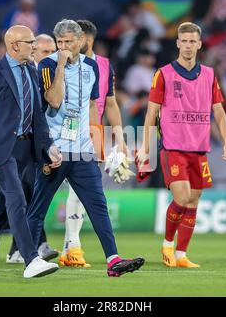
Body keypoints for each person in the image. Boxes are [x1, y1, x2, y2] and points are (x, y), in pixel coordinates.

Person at [31, 19, 144, 277]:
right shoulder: (47, 65)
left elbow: (94, 106)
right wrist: (60, 65)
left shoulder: (92, 66)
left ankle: (113, 260)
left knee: (97, 204)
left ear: (81, 41)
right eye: (60, 43)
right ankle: (29, 258)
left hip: (82, 150)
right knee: (38, 207)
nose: (64, 47)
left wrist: (98, 145)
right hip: (55, 149)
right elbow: (54, 100)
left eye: (69, 42)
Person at [0, 25, 62, 279]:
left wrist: (48, 145)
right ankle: (31, 259)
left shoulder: (32, 71)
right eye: (30, 42)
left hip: (26, 148)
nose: (34, 47)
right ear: (15, 45)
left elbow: (38, 115)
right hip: (2, 149)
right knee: (17, 199)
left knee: (1, 206)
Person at [136, 22, 226, 268]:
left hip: (199, 149)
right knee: (182, 196)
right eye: (184, 41)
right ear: (178, 43)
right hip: (173, 147)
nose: (188, 46)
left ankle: (181, 254)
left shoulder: (210, 75)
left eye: (193, 41)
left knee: (193, 199)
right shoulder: (164, 74)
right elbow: (151, 113)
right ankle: (168, 243)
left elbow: (219, 111)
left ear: (199, 44)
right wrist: (145, 147)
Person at [56, 19, 133, 268]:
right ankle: (71, 245)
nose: (81, 43)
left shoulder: (103, 66)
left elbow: (109, 103)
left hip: (93, 131)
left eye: (85, 39)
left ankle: (71, 246)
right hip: (66, 130)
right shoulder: (59, 63)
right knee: (75, 189)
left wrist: (119, 139)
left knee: (82, 190)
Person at [5, 33, 59, 264]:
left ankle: (26, 247)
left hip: (43, 142)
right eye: (46, 52)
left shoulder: (48, 73)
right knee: (24, 196)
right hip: (22, 144)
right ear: (34, 52)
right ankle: (23, 249)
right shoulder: (27, 73)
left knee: (31, 196)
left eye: (52, 51)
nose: (51, 56)